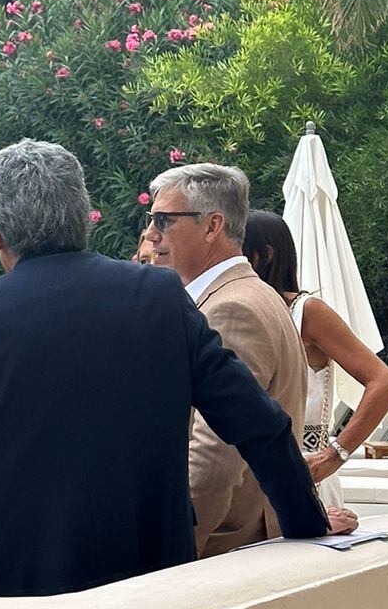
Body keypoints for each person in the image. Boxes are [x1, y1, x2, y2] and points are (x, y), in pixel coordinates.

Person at [0, 139, 334, 609]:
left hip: (5, 596)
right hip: (146, 584)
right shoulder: (160, 298)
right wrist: (309, 527)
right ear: (83, 218)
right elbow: (259, 423)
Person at [145, 163, 356, 556]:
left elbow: (214, 456)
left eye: (164, 220)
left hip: (228, 546)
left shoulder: (230, 308)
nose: (151, 234)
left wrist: (170, 555)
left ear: (212, 226)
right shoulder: (249, 294)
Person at [243, 209, 388, 512]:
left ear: (263, 255)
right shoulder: (233, 313)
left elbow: (384, 382)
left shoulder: (307, 313)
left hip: (303, 473)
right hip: (243, 482)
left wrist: (336, 453)